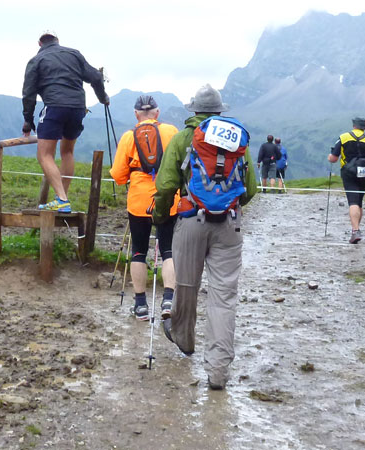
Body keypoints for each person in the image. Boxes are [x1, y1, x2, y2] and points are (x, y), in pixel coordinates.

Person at [152, 84, 257, 390]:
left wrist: (161, 215)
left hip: (191, 221)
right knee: (223, 298)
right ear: (220, 111)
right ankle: (218, 371)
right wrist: (227, 204)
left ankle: (184, 340)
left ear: (194, 109)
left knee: (187, 285)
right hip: (229, 225)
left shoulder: (184, 138)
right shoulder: (237, 139)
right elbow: (250, 189)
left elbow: (166, 184)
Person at [21, 30, 109, 212]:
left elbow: (28, 93)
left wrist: (28, 121)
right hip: (78, 108)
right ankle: (63, 199)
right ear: (57, 40)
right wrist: (103, 98)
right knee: (67, 151)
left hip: (54, 106)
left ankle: (61, 199)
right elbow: (95, 77)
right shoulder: (74, 54)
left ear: (39, 43)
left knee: (44, 155)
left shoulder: (36, 61)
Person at [110, 95, 179, 321]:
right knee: (168, 250)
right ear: (157, 113)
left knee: (138, 251)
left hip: (139, 201)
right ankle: (168, 299)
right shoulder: (171, 131)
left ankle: (140, 305)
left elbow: (118, 175)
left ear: (136, 114)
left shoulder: (128, 136)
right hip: (168, 199)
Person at [328, 117, 365, 244]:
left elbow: (333, 159)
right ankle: (356, 229)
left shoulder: (343, 137)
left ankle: (355, 231)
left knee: (353, 201)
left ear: (354, 126)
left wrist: (330, 156)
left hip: (349, 172)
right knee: (359, 201)